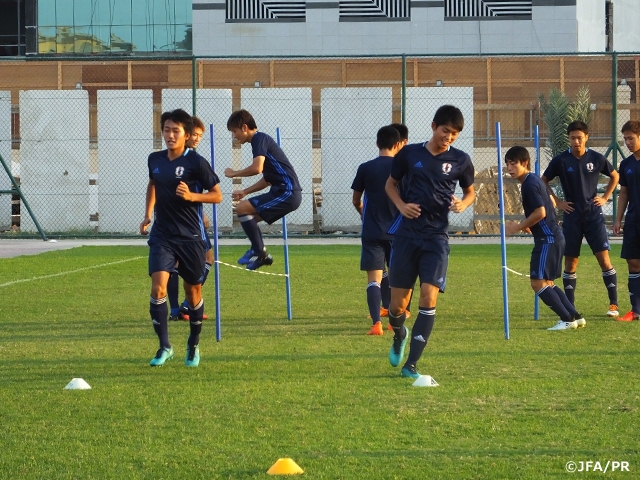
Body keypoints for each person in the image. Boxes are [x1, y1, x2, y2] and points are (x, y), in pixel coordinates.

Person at [384, 105, 475, 379]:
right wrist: (401, 206)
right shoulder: (409, 154)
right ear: (434, 125)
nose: (449, 137)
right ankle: (399, 334)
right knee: (397, 307)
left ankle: (411, 365)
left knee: (428, 296)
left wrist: (463, 204)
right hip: (406, 236)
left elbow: (469, 192)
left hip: (436, 238)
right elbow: (390, 184)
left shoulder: (461, 160)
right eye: (445, 131)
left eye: (455, 134)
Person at [140, 109, 222, 367]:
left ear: (186, 135)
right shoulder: (155, 159)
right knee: (158, 288)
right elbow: (153, 183)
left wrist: (192, 197)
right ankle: (164, 346)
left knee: (193, 291)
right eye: (166, 130)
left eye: (176, 131)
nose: (170, 135)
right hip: (163, 235)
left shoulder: (196, 163)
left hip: (192, 238)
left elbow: (217, 195)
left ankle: (193, 344)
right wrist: (148, 214)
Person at [542, 121, 620, 317]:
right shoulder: (561, 161)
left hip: (593, 216)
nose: (576, 141)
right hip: (572, 217)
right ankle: (571, 308)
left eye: (579, 137)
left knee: (604, 259)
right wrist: (558, 202)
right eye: (572, 138)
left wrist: (605, 197)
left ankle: (614, 304)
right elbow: (543, 181)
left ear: (586, 137)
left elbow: (615, 176)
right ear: (569, 139)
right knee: (571, 263)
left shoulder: (596, 158)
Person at [504, 146, 585, 331]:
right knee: (548, 283)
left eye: (514, 163)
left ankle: (566, 319)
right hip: (554, 236)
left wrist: (518, 226)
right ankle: (575, 316)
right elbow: (549, 205)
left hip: (548, 239)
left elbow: (540, 212)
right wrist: (530, 225)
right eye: (507, 163)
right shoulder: (533, 181)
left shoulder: (529, 184)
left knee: (537, 283)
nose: (509, 167)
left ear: (525, 163)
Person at [224, 109, 302, 270]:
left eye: (235, 131)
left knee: (242, 208)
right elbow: (267, 178)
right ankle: (262, 255)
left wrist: (234, 173)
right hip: (282, 191)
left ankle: (258, 250)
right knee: (248, 216)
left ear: (244, 127)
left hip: (287, 192)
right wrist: (245, 191)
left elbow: (257, 168)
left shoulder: (259, 138)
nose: (234, 136)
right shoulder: (259, 142)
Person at [351, 126, 403, 335]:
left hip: (372, 231)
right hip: (398, 232)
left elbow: (356, 199)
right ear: (398, 145)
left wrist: (362, 211)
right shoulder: (402, 168)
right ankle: (393, 321)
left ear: (377, 144)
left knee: (374, 279)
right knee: (396, 277)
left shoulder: (365, 168)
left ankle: (376, 324)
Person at [166, 116, 213, 321]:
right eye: (194, 134)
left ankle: (180, 308)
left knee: (179, 264)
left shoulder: (188, 159)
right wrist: (200, 212)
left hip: (188, 218)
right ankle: (185, 306)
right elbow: (181, 190)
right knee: (206, 258)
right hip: (189, 223)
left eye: (200, 136)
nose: (197, 139)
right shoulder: (186, 161)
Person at [614, 120, 640, 322]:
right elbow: (624, 192)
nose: (628, 143)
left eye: (631, 138)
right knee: (633, 262)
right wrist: (618, 219)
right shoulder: (626, 164)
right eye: (625, 139)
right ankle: (636, 310)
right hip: (633, 220)